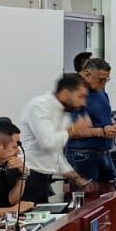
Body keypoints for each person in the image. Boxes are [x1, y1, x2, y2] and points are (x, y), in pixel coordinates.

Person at [20, 72, 94, 202]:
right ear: (65, 93)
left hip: (43, 178)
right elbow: (48, 143)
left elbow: (55, 153)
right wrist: (72, 130)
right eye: (80, 96)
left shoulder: (63, 112)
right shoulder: (39, 106)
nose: (84, 103)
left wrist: (75, 177)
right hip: (28, 178)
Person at [65, 57, 116, 185]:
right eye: (101, 80)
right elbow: (72, 129)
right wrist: (102, 132)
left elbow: (103, 116)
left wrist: (112, 126)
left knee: (112, 191)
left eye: (106, 79)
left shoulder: (99, 90)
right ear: (87, 73)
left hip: (103, 153)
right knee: (89, 199)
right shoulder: (73, 92)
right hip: (82, 155)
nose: (103, 83)